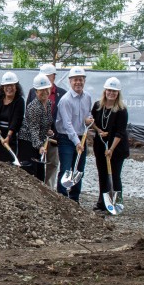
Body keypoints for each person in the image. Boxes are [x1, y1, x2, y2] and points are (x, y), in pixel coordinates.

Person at [55, 66, 94, 202]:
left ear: (84, 81)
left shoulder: (87, 97)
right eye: (75, 80)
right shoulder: (65, 100)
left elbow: (88, 114)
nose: (78, 82)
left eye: (81, 79)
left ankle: (74, 198)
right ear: (70, 81)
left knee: (79, 169)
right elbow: (67, 124)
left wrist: (89, 119)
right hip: (66, 138)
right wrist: (77, 143)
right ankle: (62, 197)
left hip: (81, 137)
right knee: (66, 169)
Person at [91, 77, 129, 212]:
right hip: (101, 145)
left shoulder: (122, 110)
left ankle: (116, 202)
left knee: (114, 174)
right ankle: (102, 202)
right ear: (105, 91)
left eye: (114, 91)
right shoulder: (97, 106)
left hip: (117, 147)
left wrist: (111, 149)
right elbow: (92, 122)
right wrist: (98, 130)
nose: (111, 93)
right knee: (102, 173)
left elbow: (120, 132)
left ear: (118, 93)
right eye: (109, 90)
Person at [26, 64, 67, 189]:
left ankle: (49, 189)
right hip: (37, 138)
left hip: (53, 136)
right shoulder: (33, 92)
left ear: (54, 76)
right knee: (37, 166)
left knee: (52, 164)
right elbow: (30, 119)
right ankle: (38, 190)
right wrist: (38, 142)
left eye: (48, 76)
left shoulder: (62, 93)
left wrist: (52, 132)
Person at [18, 74, 54, 172]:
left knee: (40, 171)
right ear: (36, 91)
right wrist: (40, 146)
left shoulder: (49, 103)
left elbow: (44, 122)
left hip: (38, 141)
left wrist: (48, 131)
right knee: (30, 172)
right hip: (28, 142)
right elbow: (33, 129)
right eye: (41, 90)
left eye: (46, 89)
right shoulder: (34, 107)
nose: (44, 92)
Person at [0, 72, 25, 163]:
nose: (9, 88)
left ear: (16, 87)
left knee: (10, 163)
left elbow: (16, 120)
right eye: (6, 86)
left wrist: (8, 137)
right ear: (3, 87)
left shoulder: (19, 101)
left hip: (11, 137)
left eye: (11, 85)